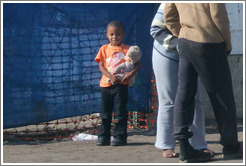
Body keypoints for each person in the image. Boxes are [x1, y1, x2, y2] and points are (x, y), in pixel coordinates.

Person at [164, 3, 243, 162]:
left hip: (185, 41)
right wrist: (227, 43)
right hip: (210, 41)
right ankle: (230, 146)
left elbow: (169, 17)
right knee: (222, 95)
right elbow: (219, 17)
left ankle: (184, 147)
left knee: (184, 93)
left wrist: (183, 33)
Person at [150, 3, 214, 158]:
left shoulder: (203, 6)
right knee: (169, 100)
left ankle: (198, 144)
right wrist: (180, 45)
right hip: (165, 53)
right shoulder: (168, 3)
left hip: (190, 53)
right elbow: (155, 29)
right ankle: (166, 144)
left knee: (195, 99)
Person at [95, 20, 141, 146]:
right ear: (107, 35)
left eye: (118, 34)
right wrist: (110, 76)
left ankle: (120, 137)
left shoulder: (128, 50)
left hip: (121, 86)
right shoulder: (103, 49)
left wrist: (130, 75)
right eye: (112, 34)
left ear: (124, 35)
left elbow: (137, 65)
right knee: (105, 113)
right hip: (106, 85)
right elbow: (101, 66)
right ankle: (103, 136)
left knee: (121, 112)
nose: (115, 37)